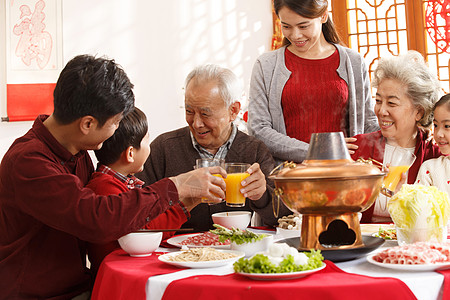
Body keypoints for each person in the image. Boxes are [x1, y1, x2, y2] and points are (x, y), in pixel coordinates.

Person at [0, 55, 226, 299]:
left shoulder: (77, 152)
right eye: (116, 123)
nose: (118, 130)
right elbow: (97, 217)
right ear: (87, 124)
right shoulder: (29, 162)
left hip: (78, 287)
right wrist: (176, 186)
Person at [137, 64, 291, 232]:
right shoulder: (164, 148)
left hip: (235, 250)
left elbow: (283, 217)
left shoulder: (253, 150)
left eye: (205, 114)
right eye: (189, 111)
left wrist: (262, 196)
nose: (196, 123)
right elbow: (137, 211)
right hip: (174, 251)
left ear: (233, 110)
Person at [248, 0, 379, 164]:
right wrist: (318, 150)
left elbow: (368, 123)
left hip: (345, 173)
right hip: (290, 178)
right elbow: (258, 129)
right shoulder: (266, 65)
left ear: (323, 15)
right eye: (286, 26)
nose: (295, 35)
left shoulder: (353, 62)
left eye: (303, 26)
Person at [86, 107, 189, 277]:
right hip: (119, 277)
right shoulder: (106, 189)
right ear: (131, 153)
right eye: (147, 142)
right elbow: (145, 232)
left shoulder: (117, 183)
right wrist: (185, 205)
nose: (149, 148)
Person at [349, 51, 442, 223]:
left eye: (392, 103)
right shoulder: (357, 147)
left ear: (418, 111)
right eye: (378, 101)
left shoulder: (434, 157)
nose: (381, 111)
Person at [415, 94, 450, 194]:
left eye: (447, 126)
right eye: (436, 125)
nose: (438, 134)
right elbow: (417, 205)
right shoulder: (430, 169)